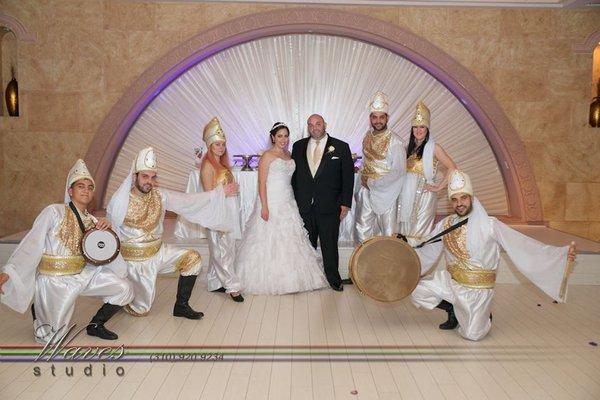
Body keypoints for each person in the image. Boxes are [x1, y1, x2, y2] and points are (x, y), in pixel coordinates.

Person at [411, 170, 577, 341]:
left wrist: (561, 255)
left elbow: (521, 245)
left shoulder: (490, 225)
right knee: (417, 291)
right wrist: (401, 248)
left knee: (473, 335)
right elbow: (425, 245)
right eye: (454, 199)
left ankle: (484, 315)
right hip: (451, 282)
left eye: (463, 198)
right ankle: (452, 309)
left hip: (477, 291)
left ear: (472, 198)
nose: (459, 203)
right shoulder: (445, 224)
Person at [0, 159, 133, 343]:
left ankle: (96, 325)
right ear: (70, 191)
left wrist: (108, 230)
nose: (86, 190)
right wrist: (9, 271)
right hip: (54, 279)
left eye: (89, 187)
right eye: (81, 186)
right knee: (52, 339)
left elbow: (104, 251)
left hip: (81, 275)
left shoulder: (94, 222)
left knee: (124, 288)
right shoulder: (54, 212)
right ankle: (39, 310)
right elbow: (32, 243)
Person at [106, 146, 239, 320]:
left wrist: (219, 192)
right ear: (134, 177)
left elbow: (189, 201)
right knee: (140, 310)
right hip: (135, 263)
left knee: (193, 259)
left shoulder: (160, 195)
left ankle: (181, 307)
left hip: (158, 252)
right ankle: (123, 295)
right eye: (145, 176)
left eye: (153, 177)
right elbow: (109, 233)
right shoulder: (121, 201)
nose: (149, 181)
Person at [236, 122, 329, 294]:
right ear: (273, 137)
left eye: (286, 136)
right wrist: (264, 206)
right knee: (269, 239)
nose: (283, 139)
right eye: (279, 136)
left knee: (292, 238)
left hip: (288, 200)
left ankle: (295, 279)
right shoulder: (267, 156)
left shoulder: (289, 155)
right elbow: (261, 182)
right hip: (271, 201)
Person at [291, 114, 354, 291]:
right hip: (304, 205)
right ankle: (307, 279)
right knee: (306, 245)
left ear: (325, 124)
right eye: (310, 125)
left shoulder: (341, 147)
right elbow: (295, 177)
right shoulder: (298, 146)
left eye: (318, 124)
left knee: (329, 245)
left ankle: (334, 280)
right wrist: (294, 200)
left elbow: (348, 178)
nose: (314, 128)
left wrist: (345, 203)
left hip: (330, 205)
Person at [398, 101, 456, 246]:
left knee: (419, 236)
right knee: (404, 235)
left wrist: (438, 188)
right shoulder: (407, 149)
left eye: (422, 127)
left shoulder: (435, 148)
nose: (418, 130)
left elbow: (453, 167)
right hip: (406, 197)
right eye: (415, 127)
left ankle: (419, 264)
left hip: (424, 197)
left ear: (427, 129)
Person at [199, 117, 244, 302]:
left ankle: (215, 282)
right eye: (217, 144)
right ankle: (232, 287)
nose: (221, 147)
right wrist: (226, 191)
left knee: (223, 249)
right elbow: (209, 195)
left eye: (223, 144)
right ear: (210, 146)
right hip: (217, 213)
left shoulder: (223, 165)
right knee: (222, 250)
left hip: (227, 210)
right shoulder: (208, 166)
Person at [354, 91, 406, 245]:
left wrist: (372, 183)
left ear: (387, 118)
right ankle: (360, 268)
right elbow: (366, 162)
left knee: (388, 235)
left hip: (387, 194)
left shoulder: (395, 141)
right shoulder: (367, 136)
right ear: (370, 118)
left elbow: (398, 172)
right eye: (374, 117)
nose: (378, 121)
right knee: (361, 231)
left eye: (381, 117)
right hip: (366, 192)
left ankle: (388, 269)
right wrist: (362, 179)